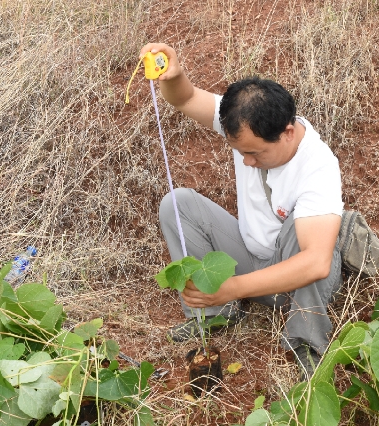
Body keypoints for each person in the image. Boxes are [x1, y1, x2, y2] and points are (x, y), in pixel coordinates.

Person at [141, 43, 343, 379]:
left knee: (302, 227)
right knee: (178, 204)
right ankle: (217, 313)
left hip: (293, 284)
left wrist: (234, 287)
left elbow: (316, 262)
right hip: (251, 258)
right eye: (239, 151)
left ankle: (305, 342)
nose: (246, 161)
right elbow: (186, 98)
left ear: (287, 133)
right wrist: (173, 76)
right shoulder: (243, 121)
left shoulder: (318, 166)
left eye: (254, 153)